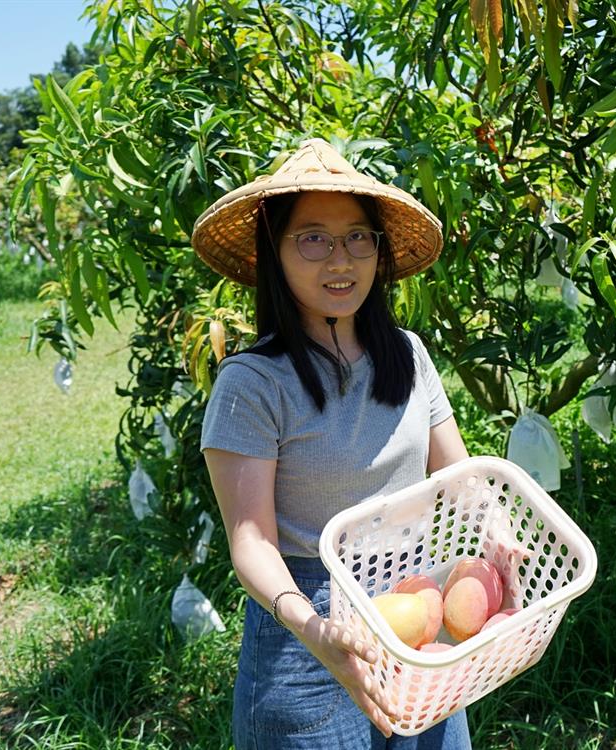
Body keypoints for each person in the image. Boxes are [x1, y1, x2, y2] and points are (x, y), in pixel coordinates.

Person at [192, 139, 473, 749]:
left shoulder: (408, 354)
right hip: (308, 631)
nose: (339, 260)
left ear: (379, 248)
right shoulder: (254, 383)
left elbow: (459, 479)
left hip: (417, 611)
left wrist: (498, 540)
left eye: (357, 237)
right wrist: (313, 627)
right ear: (276, 251)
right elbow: (252, 542)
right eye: (313, 238)